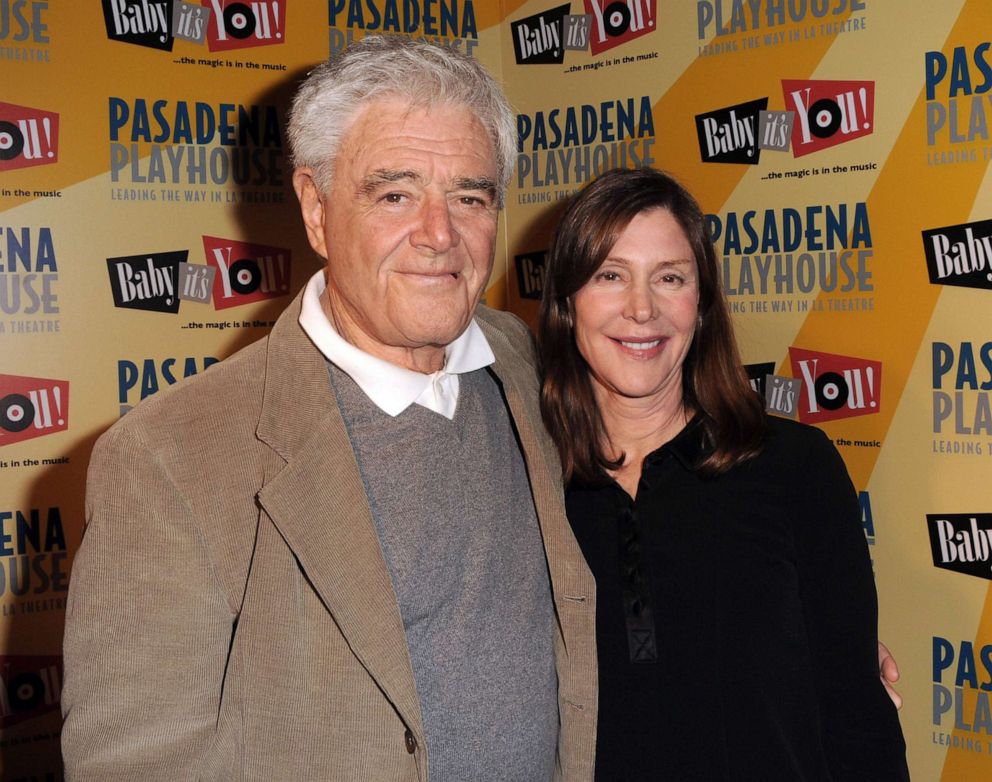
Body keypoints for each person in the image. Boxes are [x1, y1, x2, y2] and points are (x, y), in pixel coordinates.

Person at [60, 36, 596, 781]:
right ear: (315, 208)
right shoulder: (168, 457)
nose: (440, 236)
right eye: (395, 194)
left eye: (470, 197)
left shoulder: (522, 360)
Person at [537, 167, 909, 780]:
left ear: (702, 304)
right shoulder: (528, 482)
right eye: (610, 275)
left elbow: (856, 713)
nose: (641, 309)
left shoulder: (795, 468)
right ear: (565, 302)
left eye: (670, 278)